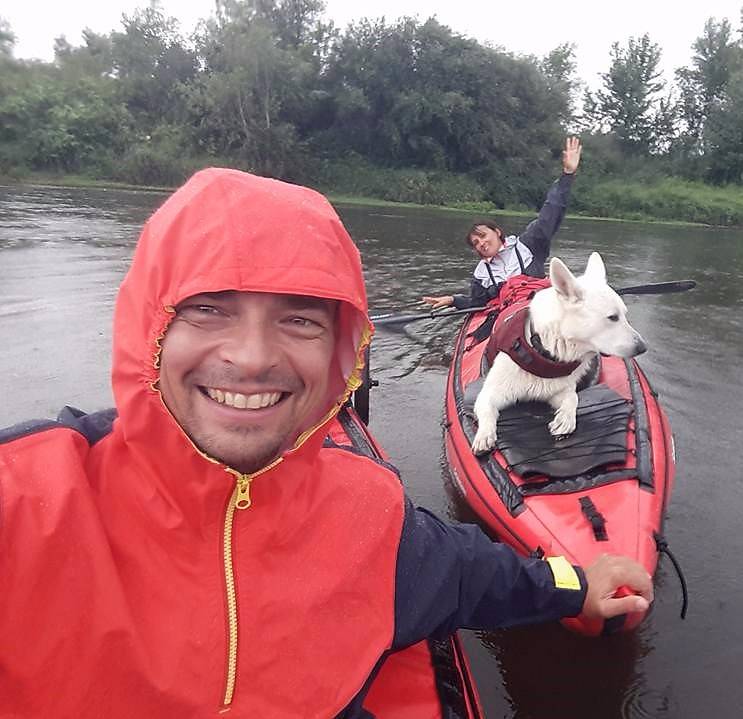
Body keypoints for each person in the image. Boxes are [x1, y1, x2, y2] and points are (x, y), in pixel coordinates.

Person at [0, 168, 652, 718]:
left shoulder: (373, 519)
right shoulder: (26, 508)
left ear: (339, 349)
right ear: (150, 324)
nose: (253, 357)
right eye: (206, 307)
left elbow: (473, 571)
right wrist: (459, 300)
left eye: (300, 318)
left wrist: (576, 581)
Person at [423, 136, 582, 310]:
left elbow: (551, 212)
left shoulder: (529, 244)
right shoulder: (481, 274)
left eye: (483, 236)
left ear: (497, 232)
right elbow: (477, 304)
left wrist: (567, 175)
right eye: (476, 243)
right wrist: (453, 300)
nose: (481, 243)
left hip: (539, 310)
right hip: (508, 320)